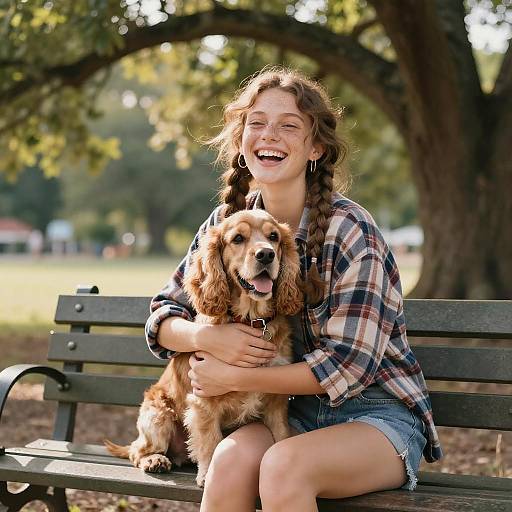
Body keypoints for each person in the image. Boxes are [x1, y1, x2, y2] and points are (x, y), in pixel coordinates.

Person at [145, 67, 442, 512]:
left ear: (316, 149)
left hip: (375, 417)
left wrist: (237, 376)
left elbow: (349, 367)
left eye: (289, 126)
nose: (270, 135)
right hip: (291, 415)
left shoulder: (351, 230)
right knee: (227, 463)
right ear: (242, 142)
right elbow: (163, 315)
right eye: (257, 123)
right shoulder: (228, 224)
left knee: (283, 466)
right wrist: (205, 337)